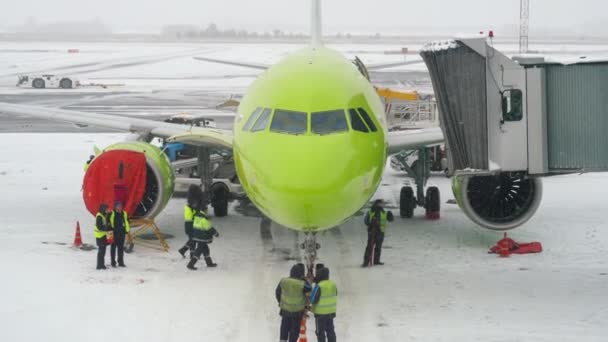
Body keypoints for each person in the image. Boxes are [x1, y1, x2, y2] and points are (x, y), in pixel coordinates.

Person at [275, 263, 312, 342]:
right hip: (297, 311)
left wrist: (281, 303)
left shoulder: (283, 281)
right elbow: (309, 288)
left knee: (284, 328)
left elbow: (277, 292)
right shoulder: (302, 284)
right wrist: (304, 279)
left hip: (285, 310)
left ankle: (282, 340)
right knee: (294, 331)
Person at [362, 199, 394, 267]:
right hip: (378, 232)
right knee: (377, 247)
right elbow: (391, 220)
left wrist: (371, 224)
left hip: (373, 232)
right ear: (378, 204)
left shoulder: (371, 212)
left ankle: (366, 262)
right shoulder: (382, 212)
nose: (383, 204)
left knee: (370, 247)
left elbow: (366, 221)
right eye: (382, 203)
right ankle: (375, 261)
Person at [187, 206, 219, 270]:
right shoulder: (204, 219)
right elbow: (209, 228)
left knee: (206, 249)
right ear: (204, 210)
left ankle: (209, 263)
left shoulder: (197, 217)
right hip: (202, 237)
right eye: (207, 210)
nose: (207, 211)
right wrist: (216, 233)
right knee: (199, 251)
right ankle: (191, 264)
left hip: (197, 236)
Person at [310, 267, 337, 342]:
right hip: (331, 312)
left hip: (320, 314)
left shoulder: (319, 286)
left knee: (320, 332)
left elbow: (313, 299)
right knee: (330, 331)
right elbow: (335, 294)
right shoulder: (333, 284)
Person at [178, 185, 202, 259]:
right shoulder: (192, 207)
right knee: (193, 239)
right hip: (191, 223)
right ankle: (191, 254)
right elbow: (195, 215)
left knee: (192, 239)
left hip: (189, 224)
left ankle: (183, 250)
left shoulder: (189, 205)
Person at [110, 201, 130, 268]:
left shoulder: (124, 213)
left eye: (120, 206)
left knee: (120, 249)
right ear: (115, 207)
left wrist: (127, 232)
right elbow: (109, 223)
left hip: (122, 233)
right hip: (114, 234)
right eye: (118, 206)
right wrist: (110, 233)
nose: (120, 207)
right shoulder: (112, 213)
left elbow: (126, 222)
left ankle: (121, 262)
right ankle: (113, 262)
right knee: (113, 248)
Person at [94, 203, 112, 270]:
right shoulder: (99, 216)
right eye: (106, 209)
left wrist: (109, 214)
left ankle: (102, 264)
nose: (107, 210)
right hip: (100, 236)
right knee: (101, 251)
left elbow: (107, 220)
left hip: (103, 235)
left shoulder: (103, 215)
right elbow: (99, 227)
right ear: (103, 209)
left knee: (103, 251)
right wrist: (106, 228)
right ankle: (99, 265)